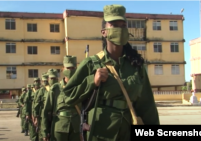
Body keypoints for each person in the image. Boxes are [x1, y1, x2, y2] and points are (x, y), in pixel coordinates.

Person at [62, 4, 160, 141]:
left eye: (123, 25)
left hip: (127, 130)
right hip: (100, 132)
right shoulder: (91, 63)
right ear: (104, 32)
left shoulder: (136, 66)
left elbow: (147, 106)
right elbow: (68, 96)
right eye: (114, 25)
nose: (120, 29)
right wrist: (92, 81)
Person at [52, 56, 81, 141]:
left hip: (76, 126)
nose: (70, 70)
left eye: (72, 68)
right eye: (68, 68)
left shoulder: (81, 86)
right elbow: (47, 111)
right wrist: (45, 131)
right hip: (60, 126)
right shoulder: (55, 88)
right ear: (62, 69)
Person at [41, 69, 60, 141]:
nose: (53, 80)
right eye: (51, 78)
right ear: (48, 79)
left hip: (57, 120)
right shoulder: (43, 91)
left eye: (54, 78)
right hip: (46, 119)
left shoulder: (60, 89)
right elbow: (45, 111)